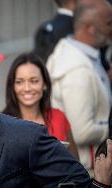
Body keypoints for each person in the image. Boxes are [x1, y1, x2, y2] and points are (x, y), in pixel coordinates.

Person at [47, 0, 112, 174]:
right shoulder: (77, 70)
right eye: (108, 23)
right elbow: (81, 131)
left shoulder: (79, 51)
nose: (111, 28)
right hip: (88, 173)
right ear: (90, 28)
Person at [3, 52, 79, 159]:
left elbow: (76, 167)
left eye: (34, 81)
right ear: (13, 87)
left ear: (45, 84)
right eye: (19, 82)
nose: (27, 88)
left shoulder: (58, 117)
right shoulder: (3, 125)